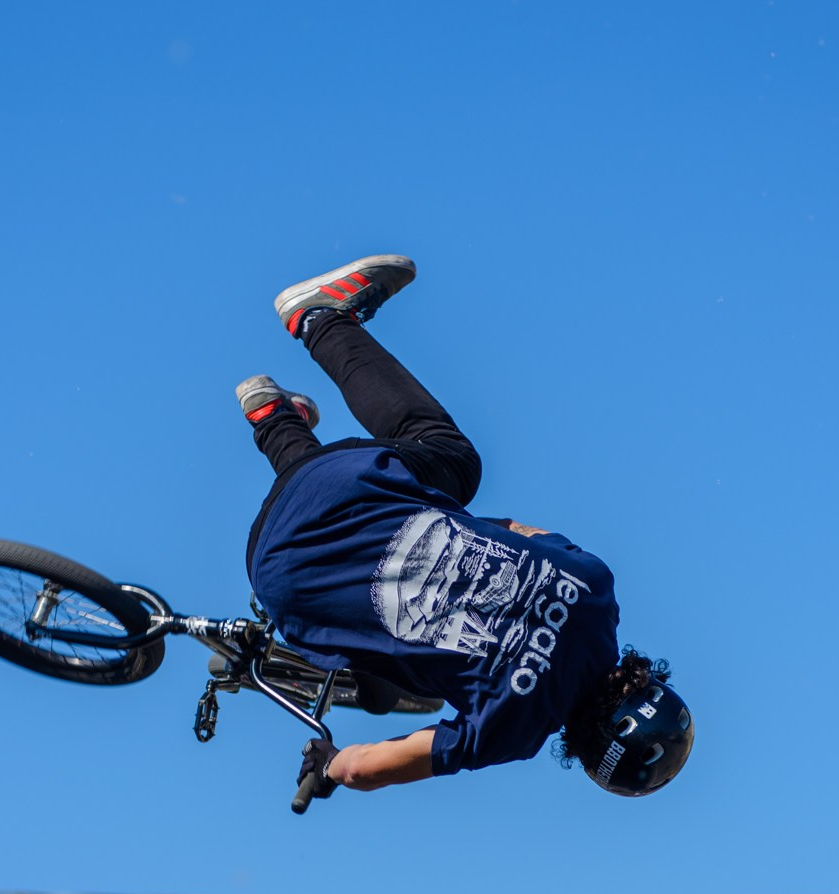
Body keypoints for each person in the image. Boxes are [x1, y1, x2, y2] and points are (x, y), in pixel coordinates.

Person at [238, 254, 694, 802]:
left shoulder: (595, 588)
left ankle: (324, 325)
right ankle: (273, 415)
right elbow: (365, 769)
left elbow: (512, 529)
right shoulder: (512, 730)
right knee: (387, 650)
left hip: (340, 483)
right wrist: (331, 766)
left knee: (452, 461)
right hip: (275, 573)